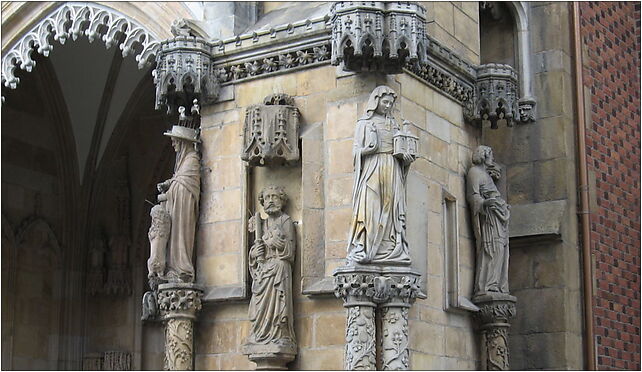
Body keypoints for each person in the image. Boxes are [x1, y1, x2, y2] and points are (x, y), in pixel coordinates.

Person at [346, 86, 415, 266]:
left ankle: (391, 247)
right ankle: (363, 245)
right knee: (369, 206)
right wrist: (366, 151)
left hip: (392, 168)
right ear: (375, 102)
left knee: (392, 207)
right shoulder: (364, 123)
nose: (387, 106)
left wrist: (405, 160)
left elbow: (401, 148)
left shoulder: (395, 125)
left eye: (390, 104)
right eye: (384, 102)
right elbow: (355, 152)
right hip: (372, 167)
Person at [246, 185, 296, 347]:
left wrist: (279, 245)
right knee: (259, 305)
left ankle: (280, 332)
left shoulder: (286, 221)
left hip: (279, 269)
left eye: (274, 197)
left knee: (281, 266)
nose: (270, 201)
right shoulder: (261, 223)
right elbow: (255, 253)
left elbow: (290, 250)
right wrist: (254, 254)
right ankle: (260, 332)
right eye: (267, 198)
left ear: (282, 200)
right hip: (263, 271)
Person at [156, 125, 201, 283]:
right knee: (175, 236)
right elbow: (179, 179)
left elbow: (184, 186)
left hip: (183, 207)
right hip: (177, 205)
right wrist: (168, 184)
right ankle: (174, 267)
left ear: (183, 142)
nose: (173, 144)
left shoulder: (192, 159)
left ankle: (182, 268)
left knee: (181, 235)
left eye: (175, 141)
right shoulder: (183, 161)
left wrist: (168, 193)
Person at [466, 145, 510, 295]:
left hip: (498, 216)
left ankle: (495, 284)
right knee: (492, 248)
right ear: (484, 155)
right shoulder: (475, 172)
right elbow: (473, 196)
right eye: (490, 155)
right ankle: (487, 285)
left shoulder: (486, 174)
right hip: (489, 217)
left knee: (500, 250)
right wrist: (485, 203)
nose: (492, 158)